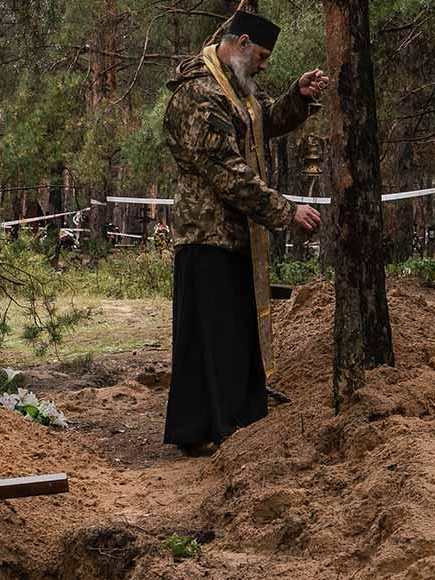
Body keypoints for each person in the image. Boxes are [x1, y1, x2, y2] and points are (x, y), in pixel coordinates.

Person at [162, 10, 328, 454]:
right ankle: (220, 427)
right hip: (207, 235)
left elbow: (260, 121)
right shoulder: (200, 93)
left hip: (231, 234)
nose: (265, 66)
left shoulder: (231, 88)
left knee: (225, 335)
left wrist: (298, 96)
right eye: (263, 57)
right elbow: (227, 172)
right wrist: (285, 211)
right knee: (214, 337)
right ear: (241, 43)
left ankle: (213, 424)